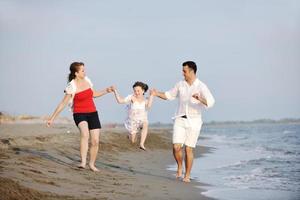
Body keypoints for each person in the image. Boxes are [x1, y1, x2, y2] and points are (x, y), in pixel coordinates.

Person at [151, 61, 215, 182]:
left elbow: (211, 102)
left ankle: (187, 175)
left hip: (194, 121)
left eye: (184, 71)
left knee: (188, 149)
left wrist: (200, 98)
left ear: (191, 71)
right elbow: (169, 95)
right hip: (180, 118)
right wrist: (156, 93)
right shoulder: (180, 84)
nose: (182, 73)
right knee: (176, 147)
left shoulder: (201, 86)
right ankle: (180, 166)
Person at [47, 62, 113, 172]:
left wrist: (106, 90)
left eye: (84, 70)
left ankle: (91, 164)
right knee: (85, 134)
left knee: (95, 141)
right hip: (79, 113)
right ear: (76, 73)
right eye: (82, 70)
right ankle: (83, 162)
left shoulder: (88, 80)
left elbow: (94, 94)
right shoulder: (71, 86)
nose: (85, 72)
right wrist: (52, 118)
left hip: (93, 113)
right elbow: (63, 103)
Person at [112, 81, 154, 150]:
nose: (136, 92)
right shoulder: (131, 97)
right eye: (135, 91)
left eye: (138, 91)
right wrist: (115, 91)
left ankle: (141, 144)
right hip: (132, 121)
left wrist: (152, 95)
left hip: (142, 119)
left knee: (145, 124)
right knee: (133, 141)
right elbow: (120, 101)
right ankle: (130, 135)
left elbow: (149, 106)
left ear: (143, 91)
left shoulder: (146, 100)